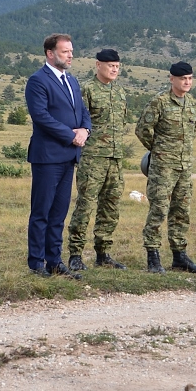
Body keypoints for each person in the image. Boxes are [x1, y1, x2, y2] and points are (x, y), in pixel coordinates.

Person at [24, 33, 91, 278]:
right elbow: (41, 116)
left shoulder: (72, 81)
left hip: (69, 157)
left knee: (59, 213)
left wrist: (85, 130)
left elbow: (83, 111)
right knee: (42, 211)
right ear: (50, 53)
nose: (70, 55)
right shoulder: (38, 81)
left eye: (71, 51)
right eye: (65, 51)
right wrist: (70, 135)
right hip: (47, 157)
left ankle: (54, 260)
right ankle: (36, 263)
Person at [66, 48, 130, 270]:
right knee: (85, 205)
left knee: (110, 207)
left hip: (115, 158)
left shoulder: (120, 92)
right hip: (92, 158)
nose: (114, 69)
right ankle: (75, 253)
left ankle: (103, 253)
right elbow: (78, 122)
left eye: (117, 66)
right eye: (110, 65)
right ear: (98, 65)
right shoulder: (87, 90)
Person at [137, 61, 196, 274]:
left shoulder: (191, 103)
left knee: (181, 212)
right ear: (172, 79)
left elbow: (195, 129)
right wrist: (159, 151)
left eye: (190, 79)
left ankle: (179, 256)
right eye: (183, 78)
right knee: (158, 210)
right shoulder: (160, 102)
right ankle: (153, 256)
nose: (187, 82)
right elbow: (142, 130)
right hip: (163, 168)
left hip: (184, 167)